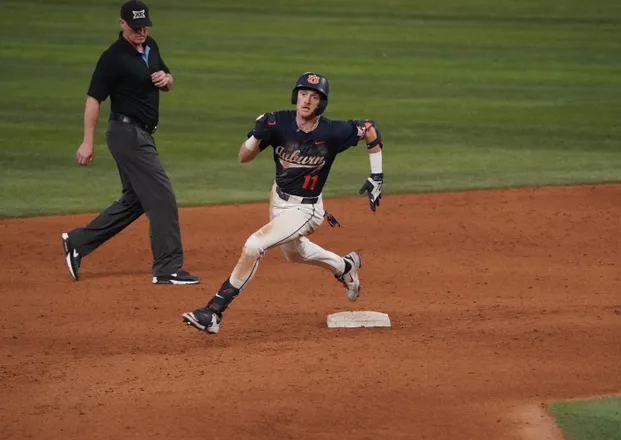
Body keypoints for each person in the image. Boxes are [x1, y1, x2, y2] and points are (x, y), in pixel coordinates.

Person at [182, 72, 384, 334]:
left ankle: (213, 311)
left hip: (306, 209)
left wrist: (376, 175)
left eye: (314, 97)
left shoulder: (332, 131)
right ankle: (345, 266)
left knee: (255, 245)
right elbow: (244, 157)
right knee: (295, 253)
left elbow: (369, 129)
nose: (307, 101)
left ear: (321, 103)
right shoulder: (277, 122)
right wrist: (256, 136)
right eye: (303, 94)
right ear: (295, 96)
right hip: (278, 199)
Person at [60, 0, 199, 285]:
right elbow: (93, 99)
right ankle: (167, 268)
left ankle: (78, 242)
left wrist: (167, 79)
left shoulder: (151, 46)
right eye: (135, 27)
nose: (141, 31)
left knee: (136, 200)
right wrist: (87, 142)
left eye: (144, 25)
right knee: (162, 196)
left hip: (142, 134)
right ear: (121, 23)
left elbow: (168, 79)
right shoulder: (113, 58)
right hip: (126, 134)